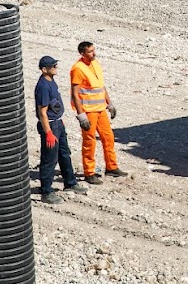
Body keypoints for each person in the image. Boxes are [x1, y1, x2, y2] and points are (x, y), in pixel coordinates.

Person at [71, 41, 128, 185]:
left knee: (108, 137)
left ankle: (111, 167)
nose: (94, 53)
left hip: (100, 108)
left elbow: (100, 86)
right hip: (88, 111)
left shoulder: (95, 64)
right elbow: (75, 94)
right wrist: (81, 115)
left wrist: (109, 103)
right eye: (90, 51)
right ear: (82, 54)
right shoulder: (78, 69)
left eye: (93, 50)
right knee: (89, 141)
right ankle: (89, 172)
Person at [34, 55, 86, 204]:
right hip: (50, 126)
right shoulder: (43, 86)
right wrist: (49, 133)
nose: (56, 67)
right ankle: (46, 191)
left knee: (64, 154)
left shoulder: (51, 81)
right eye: (53, 66)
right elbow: (42, 112)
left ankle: (70, 182)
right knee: (49, 159)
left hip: (57, 123)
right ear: (44, 69)